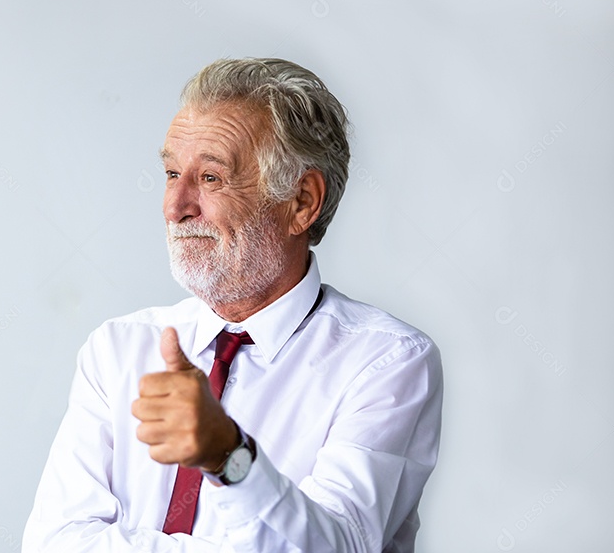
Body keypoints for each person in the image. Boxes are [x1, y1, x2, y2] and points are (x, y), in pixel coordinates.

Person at [22, 58, 443, 552]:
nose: (175, 207)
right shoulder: (118, 349)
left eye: (211, 178)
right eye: (172, 173)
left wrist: (230, 457)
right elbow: (54, 544)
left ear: (302, 201)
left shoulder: (385, 362)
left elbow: (336, 546)